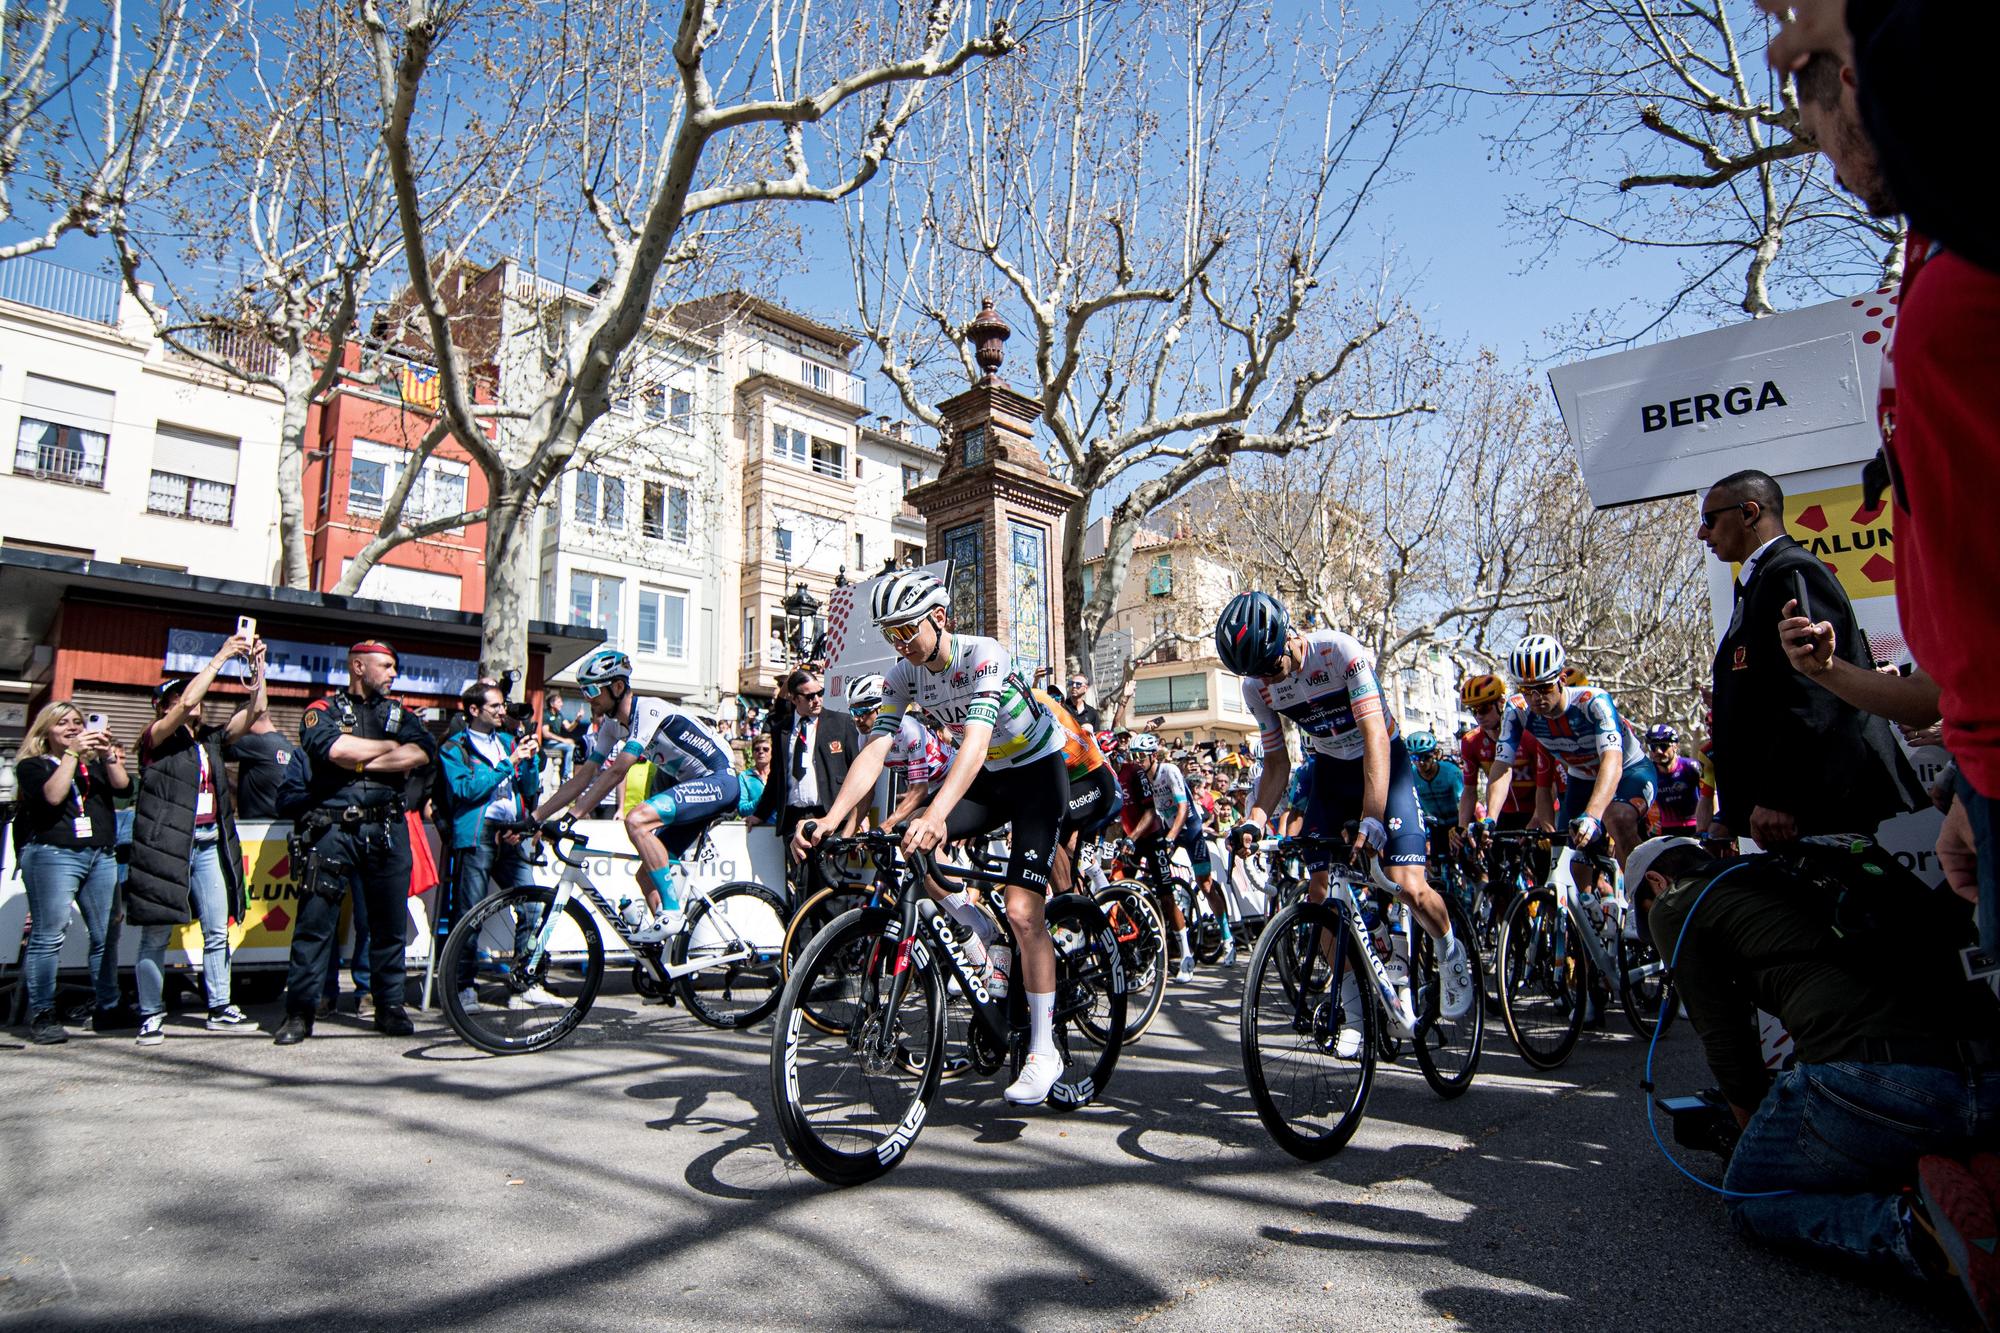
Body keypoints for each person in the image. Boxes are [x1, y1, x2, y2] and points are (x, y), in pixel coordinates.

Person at [1631, 833, 2000, 1325]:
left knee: (1747, 1197)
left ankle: (1914, 1229)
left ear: (1656, 882)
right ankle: (1974, 1165)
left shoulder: (1676, 903)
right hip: (1987, 1070)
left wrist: (1749, 1137)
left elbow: (1727, 1043)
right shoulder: (1791, 872)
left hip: (1881, 1078)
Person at [794, 569, 1074, 1106]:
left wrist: (935, 812)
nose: (899, 644)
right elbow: (875, 750)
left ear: (939, 618)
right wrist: (831, 819)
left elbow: (971, 745)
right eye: (889, 634)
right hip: (990, 778)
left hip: (1036, 773)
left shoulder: (982, 655)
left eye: (906, 631)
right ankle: (979, 936)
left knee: (1022, 911)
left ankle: (1044, 1049)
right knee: (913, 851)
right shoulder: (902, 676)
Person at [1217, 590, 1476, 1026]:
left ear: (1287, 636)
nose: (1269, 680)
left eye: (1271, 666)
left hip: (1384, 765)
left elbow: (1374, 734)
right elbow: (1277, 761)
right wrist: (1254, 821)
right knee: (1321, 897)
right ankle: (1357, 1014)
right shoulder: (1255, 685)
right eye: (1256, 673)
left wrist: (1373, 817)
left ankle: (1451, 952)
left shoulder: (1338, 652)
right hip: (1331, 771)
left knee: (1406, 885)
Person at [1699, 468, 1921, 847]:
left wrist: (1778, 796)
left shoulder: (1790, 572)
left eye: (1710, 520)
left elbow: (1813, 691)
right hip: (1790, 806)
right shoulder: (1759, 580)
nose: (1703, 534)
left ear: (1749, 513)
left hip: (1811, 803)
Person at [273, 640, 436, 1045]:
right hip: (332, 832)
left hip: (386, 830)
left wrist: (356, 760)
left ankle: (389, 1006)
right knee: (314, 924)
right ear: (358, 666)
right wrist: (384, 750)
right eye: (386, 666)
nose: (393, 674)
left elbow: (420, 753)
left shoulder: (400, 713)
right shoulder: (322, 710)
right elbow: (331, 748)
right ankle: (300, 1012)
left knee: (388, 926)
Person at [533, 649, 738, 942]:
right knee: (646, 875)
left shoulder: (649, 710)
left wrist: (570, 819)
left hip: (719, 781)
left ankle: (671, 912)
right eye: (583, 690)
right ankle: (668, 956)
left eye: (592, 689)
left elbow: (617, 772)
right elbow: (584, 776)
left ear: (617, 687)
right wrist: (536, 817)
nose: (588, 696)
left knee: (637, 819)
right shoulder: (611, 727)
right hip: (695, 789)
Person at [128, 634, 267, 1045]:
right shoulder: (155, 740)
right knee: (156, 932)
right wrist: (222, 656)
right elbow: (187, 703)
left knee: (218, 929)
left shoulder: (209, 740)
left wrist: (258, 668)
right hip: (166, 846)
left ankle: (220, 1006)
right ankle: (151, 1013)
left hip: (209, 840)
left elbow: (256, 710)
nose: (191, 702)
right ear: (162, 708)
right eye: (175, 698)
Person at [1481, 635, 1655, 869]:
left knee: (1617, 819)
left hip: (1628, 771)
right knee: (1567, 850)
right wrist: (1490, 818)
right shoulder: (1517, 708)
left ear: (1561, 679)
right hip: (1581, 778)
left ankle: (1642, 896)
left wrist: (1592, 815)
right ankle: (1583, 904)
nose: (1536, 698)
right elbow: (1502, 766)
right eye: (1527, 689)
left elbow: (1611, 761)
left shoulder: (1593, 702)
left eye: (1543, 688)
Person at [13, 703, 130, 1044]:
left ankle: (108, 1006)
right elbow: (53, 796)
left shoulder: (92, 766)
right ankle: (43, 1013)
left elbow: (124, 788)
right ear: (46, 730)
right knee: (49, 934)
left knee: (106, 934)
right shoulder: (32, 766)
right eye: (62, 723)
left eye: (77, 723)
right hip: (54, 854)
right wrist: (72, 756)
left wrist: (107, 753)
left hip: (100, 854)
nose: (71, 728)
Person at [438, 680, 550, 1010]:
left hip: (511, 832)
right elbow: (466, 790)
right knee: (470, 913)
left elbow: (528, 785)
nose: (503, 711)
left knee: (533, 904)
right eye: (495, 707)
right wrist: (511, 761)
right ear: (474, 710)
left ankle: (524, 984)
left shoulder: (506, 740)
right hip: (477, 834)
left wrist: (529, 761)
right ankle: (462, 988)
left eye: (503, 706)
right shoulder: (454, 747)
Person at [1128, 733, 1230, 975]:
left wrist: (1171, 837)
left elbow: (1183, 807)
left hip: (1189, 829)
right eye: (1133, 756)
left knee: (1205, 885)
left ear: (1153, 755)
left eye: (1139, 756)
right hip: (1168, 828)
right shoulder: (1144, 778)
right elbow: (1153, 810)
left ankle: (1227, 938)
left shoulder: (1169, 770)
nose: (1136, 760)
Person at [749, 669, 861, 846]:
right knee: (798, 873)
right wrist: (759, 814)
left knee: (829, 872)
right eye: (810, 697)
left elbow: (859, 772)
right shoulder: (782, 730)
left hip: (830, 815)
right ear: (794, 699)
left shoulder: (842, 723)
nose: (817, 700)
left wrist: (860, 815)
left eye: (820, 693)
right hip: (793, 817)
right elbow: (776, 778)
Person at [1456, 674, 1556, 833]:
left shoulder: (1528, 735)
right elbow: (1469, 790)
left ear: (1501, 703)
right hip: (1502, 813)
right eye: (1473, 710)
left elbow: (1547, 784)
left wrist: (1537, 819)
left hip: (1536, 809)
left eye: (1484, 708)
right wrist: (1462, 827)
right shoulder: (1470, 742)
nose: (1479, 716)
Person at [1406, 731, 1465, 872]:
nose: (1420, 762)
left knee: (1467, 864)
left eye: (1425, 757)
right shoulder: (1411, 775)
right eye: (1414, 757)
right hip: (1435, 826)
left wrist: (1459, 828)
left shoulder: (1451, 772)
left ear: (1435, 754)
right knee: (1435, 868)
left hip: (1458, 821)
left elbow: (1462, 802)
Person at [225, 712, 293, 821]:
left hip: (258, 828)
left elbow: (217, 746)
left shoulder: (257, 743)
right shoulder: (288, 746)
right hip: (284, 825)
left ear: (248, 721)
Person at [1645, 725, 1702, 835]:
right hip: (1666, 829)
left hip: (1696, 827)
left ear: (1675, 746)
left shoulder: (1691, 767)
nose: (1658, 751)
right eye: (1653, 747)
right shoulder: (1648, 772)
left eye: (1663, 746)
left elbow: (1710, 796)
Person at [539, 687, 579, 783]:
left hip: (556, 743)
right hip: (548, 743)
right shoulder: (546, 714)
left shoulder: (559, 715)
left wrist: (577, 719)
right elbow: (546, 733)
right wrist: (563, 740)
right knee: (570, 747)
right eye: (559, 702)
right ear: (552, 704)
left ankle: (567, 773)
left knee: (572, 746)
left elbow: (569, 728)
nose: (561, 704)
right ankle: (567, 774)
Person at [736, 733, 773, 818]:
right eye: (757, 749)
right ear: (752, 753)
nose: (761, 752)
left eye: (765, 749)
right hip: (755, 827)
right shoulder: (744, 777)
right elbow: (742, 809)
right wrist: (762, 799)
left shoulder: (779, 776)